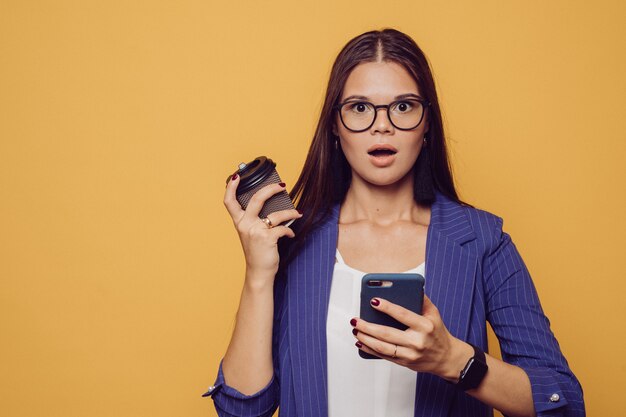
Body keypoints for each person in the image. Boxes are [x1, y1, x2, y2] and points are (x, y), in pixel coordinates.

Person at [202, 28, 585, 417]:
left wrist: (455, 361)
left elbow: (564, 404)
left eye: (403, 107)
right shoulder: (293, 242)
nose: (381, 125)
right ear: (334, 124)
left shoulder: (483, 240)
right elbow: (242, 411)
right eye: (359, 107)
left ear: (427, 123)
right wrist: (258, 275)